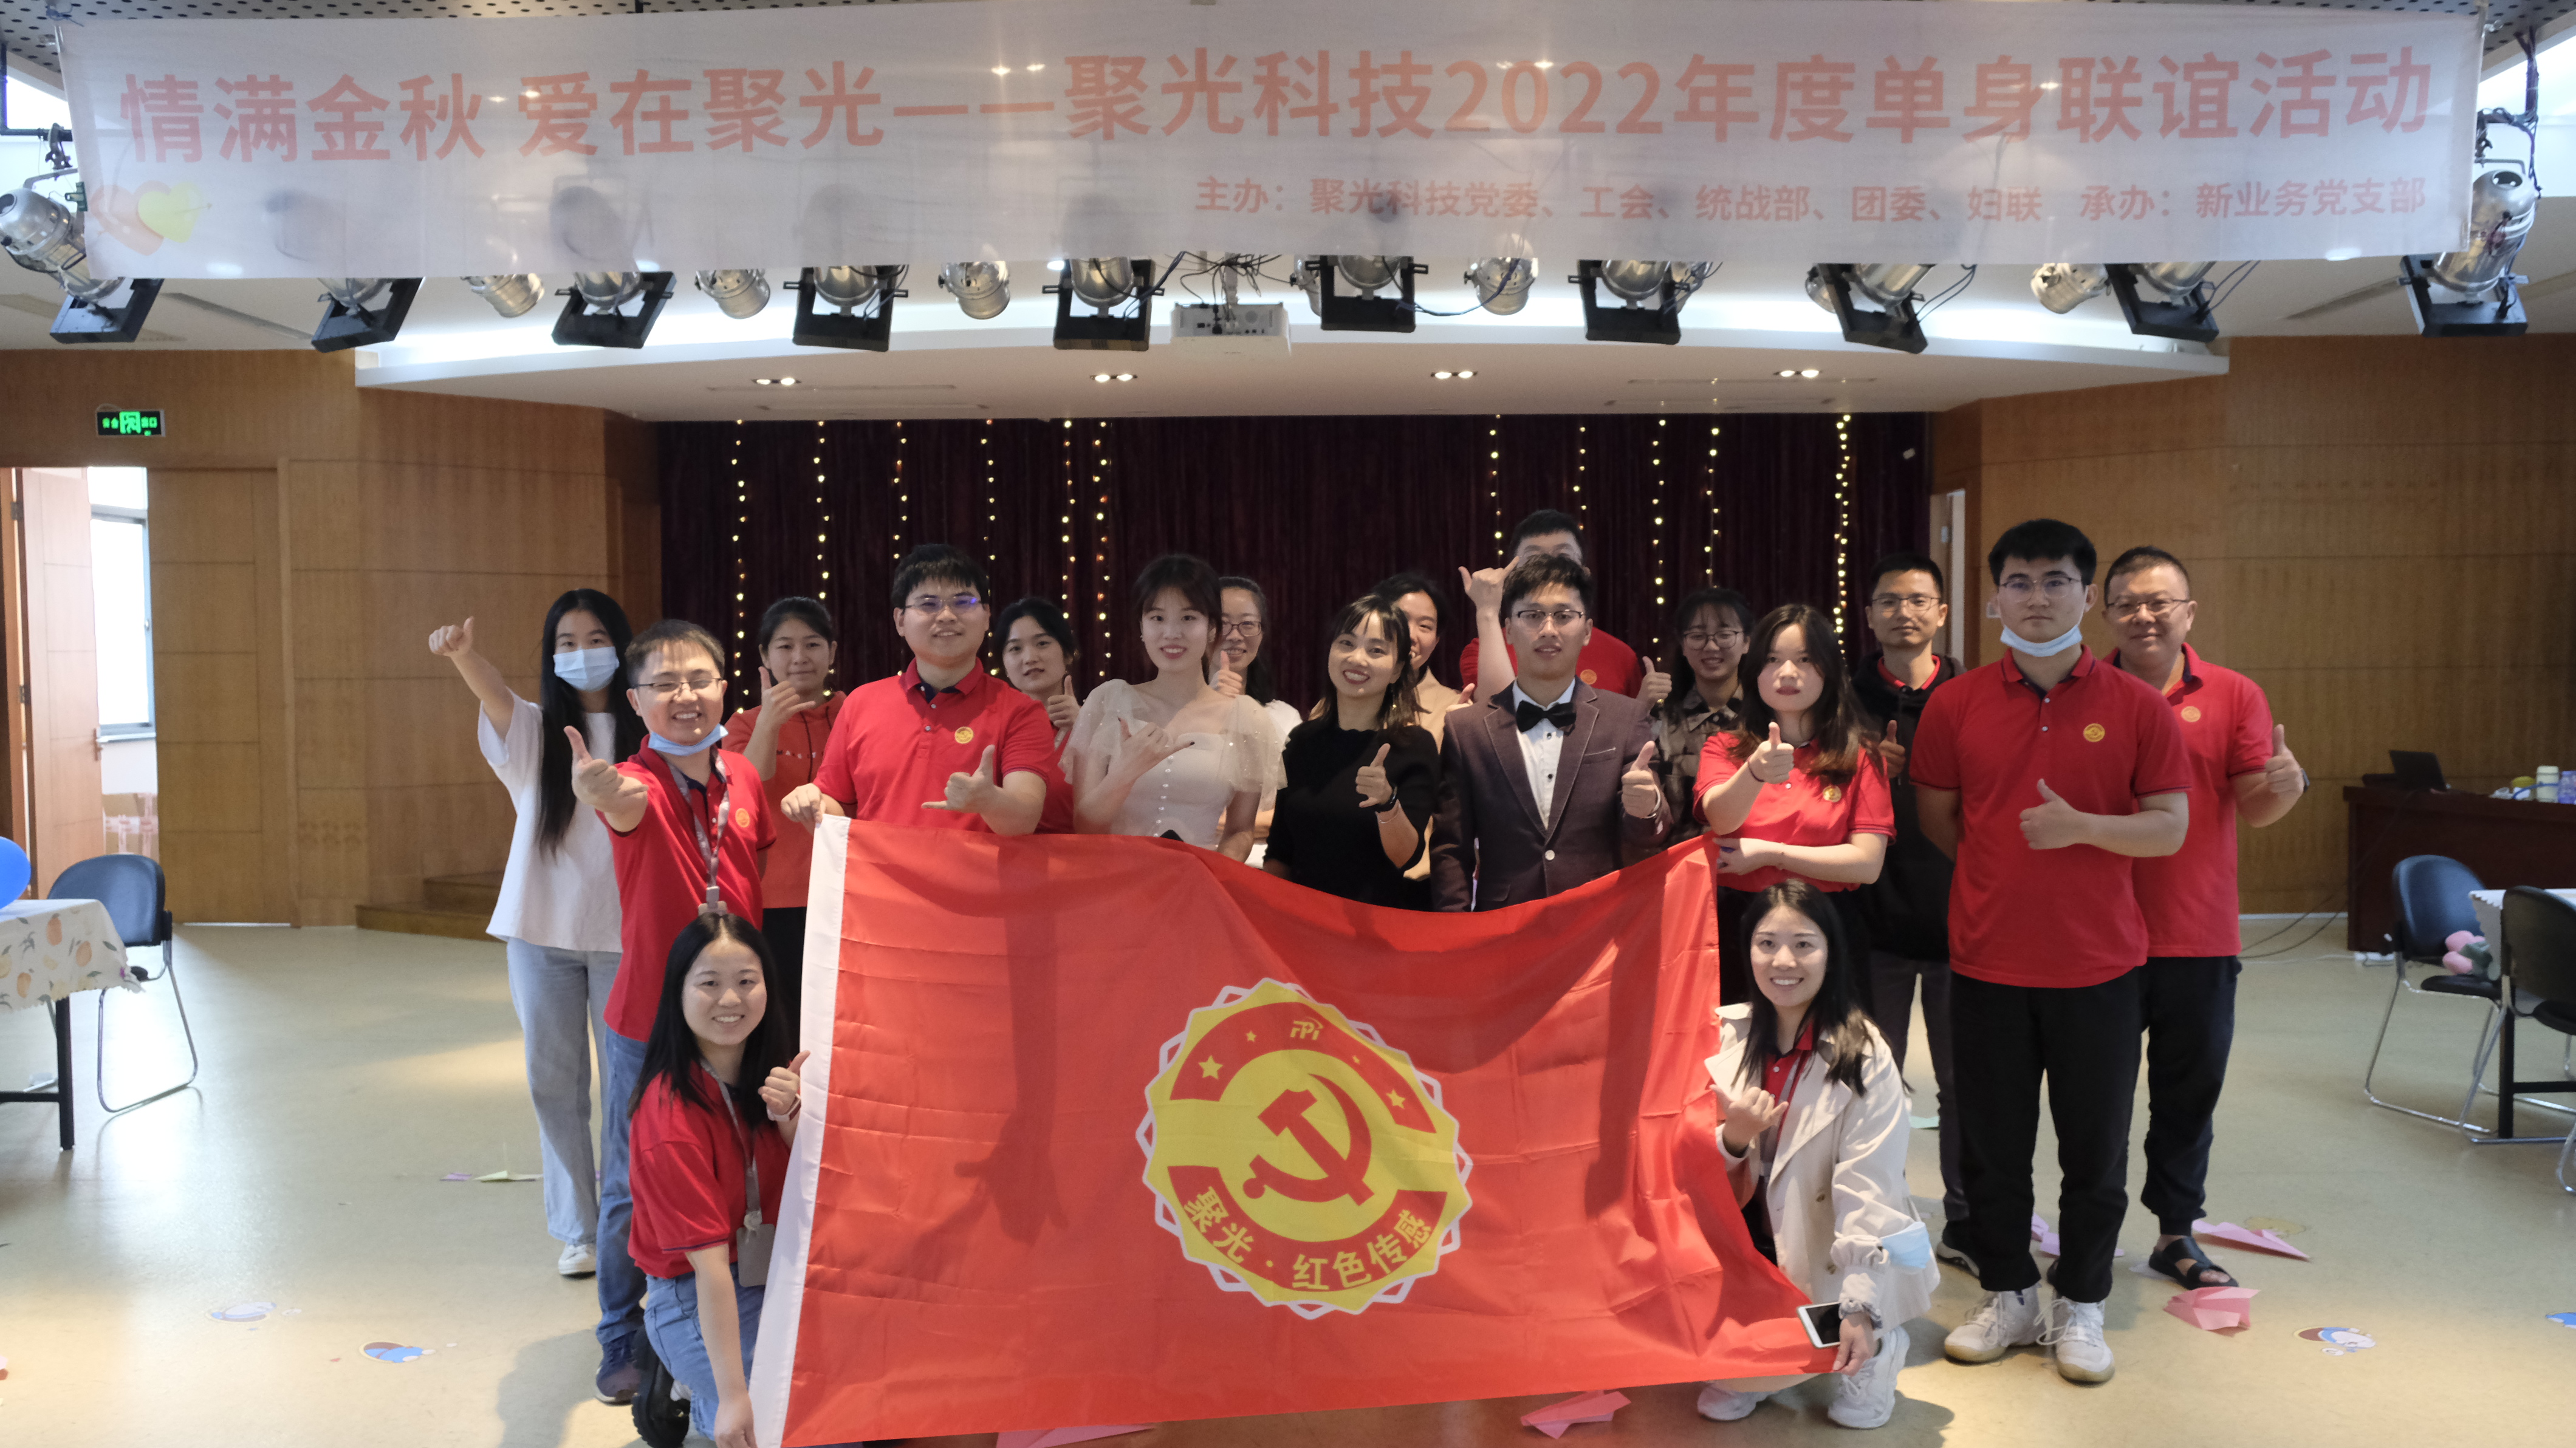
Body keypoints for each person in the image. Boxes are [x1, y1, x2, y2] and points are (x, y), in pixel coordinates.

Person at [1909, 518, 2190, 1385]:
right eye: (2021, 581)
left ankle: (2083, 1301)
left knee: (2094, 1151)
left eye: (2056, 580)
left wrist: (2081, 830)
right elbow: (1942, 820)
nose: (2038, 597)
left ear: (2086, 594)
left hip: (2099, 967)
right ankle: (2008, 1294)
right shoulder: (1954, 704)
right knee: (1991, 1147)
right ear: (1995, 596)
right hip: (1987, 962)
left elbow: (2169, 828)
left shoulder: (2137, 705)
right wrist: (2006, 872)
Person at [569, 617, 776, 1405]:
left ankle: (717, 1304)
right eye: (663, 684)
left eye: (698, 679)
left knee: (740, 1162)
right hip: (649, 1022)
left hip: (735, 1013)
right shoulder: (638, 783)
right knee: (633, 1181)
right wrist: (600, 791)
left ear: (723, 687)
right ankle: (622, 1331)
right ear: (636, 701)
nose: (684, 696)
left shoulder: (743, 777)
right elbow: (621, 803)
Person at [428, 593, 645, 1340]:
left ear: (622, 645)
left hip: (625, 933)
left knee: (627, 1087)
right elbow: (494, 691)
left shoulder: (648, 727)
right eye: (568, 640)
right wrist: (464, 655)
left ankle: (627, 1222)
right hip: (539, 931)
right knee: (553, 1081)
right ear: (552, 654)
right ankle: (577, 1229)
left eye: (597, 637)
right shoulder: (534, 729)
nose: (583, 651)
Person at [2102, 545, 2305, 1293]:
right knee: (2097, 1098)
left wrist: (2286, 785)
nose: (2144, 615)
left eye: (2159, 601)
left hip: (2197, 931)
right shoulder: (2085, 692)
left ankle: (2174, 1232)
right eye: (2127, 603)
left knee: (2187, 1093)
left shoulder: (2233, 693)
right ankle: (2092, 1229)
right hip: (2100, 932)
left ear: (2188, 612)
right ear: (2106, 613)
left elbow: (2256, 806)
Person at [1696, 880, 1939, 1430]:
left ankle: (1878, 1346)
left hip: (1834, 1244)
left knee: (1845, 1339)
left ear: (1832, 952)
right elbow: (1686, 1166)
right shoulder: (1722, 1034)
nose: (1783, 961)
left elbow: (1870, 1188)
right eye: (1767, 943)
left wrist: (1861, 1305)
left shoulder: (1865, 1054)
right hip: (1751, 1240)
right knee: (1730, 1381)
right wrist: (1733, 1138)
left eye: (1804, 944)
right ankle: (1772, 1356)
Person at [626, 913, 803, 1448]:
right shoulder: (668, 1119)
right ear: (678, 993)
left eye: (747, 981)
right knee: (784, 1424)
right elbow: (709, 1272)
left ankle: (696, 1384)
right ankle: (695, 1381)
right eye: (709, 983)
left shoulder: (780, 1077)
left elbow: (819, 1187)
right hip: (695, 1289)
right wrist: (733, 1397)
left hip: (775, 1271)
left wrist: (791, 1121)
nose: (731, 999)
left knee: (849, 1396)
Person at [1848, 552, 1971, 1265]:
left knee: (1964, 1084)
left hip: (1963, 922)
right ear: (1869, 614)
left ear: (1941, 612)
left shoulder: (1974, 694)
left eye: (1918, 600)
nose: (1904, 612)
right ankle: (1879, 1221)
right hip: (1873, 925)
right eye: (1889, 601)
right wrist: (1858, 769)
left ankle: (1965, 1220)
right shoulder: (1843, 699)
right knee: (1873, 1083)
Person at [1431, 554, 1669, 910]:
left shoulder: (1625, 717)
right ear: (1508, 630)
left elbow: (1651, 836)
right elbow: (1451, 849)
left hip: (1598, 922)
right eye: (1532, 615)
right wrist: (1456, 931)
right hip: (1505, 924)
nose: (1548, 629)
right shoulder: (1467, 729)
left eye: (1563, 615)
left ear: (1587, 631)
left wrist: (1647, 808)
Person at [781, 545, 1066, 838]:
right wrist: (814, 804)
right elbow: (838, 804)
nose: (946, 615)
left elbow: (1024, 819)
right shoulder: (860, 703)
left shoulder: (1020, 711)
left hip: (974, 871)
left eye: (963, 602)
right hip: (878, 870)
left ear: (986, 616)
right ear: (900, 621)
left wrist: (989, 801)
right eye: (928, 604)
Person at [1695, 604, 1892, 1006]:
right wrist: (1754, 772)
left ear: (1829, 670)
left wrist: (1772, 854)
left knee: (1831, 1040)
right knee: (1741, 1037)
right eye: (1772, 660)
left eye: (1804, 660)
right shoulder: (1724, 747)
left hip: (1828, 919)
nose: (1787, 673)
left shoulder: (1861, 754)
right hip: (1741, 921)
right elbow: (1721, 818)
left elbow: (1867, 864)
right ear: (1754, 672)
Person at [1066, 553, 1283, 859]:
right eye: (1157, 618)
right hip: (1117, 875)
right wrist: (1124, 774)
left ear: (1212, 629)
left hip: (1200, 879)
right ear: (1141, 627)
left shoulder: (1247, 718)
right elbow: (1084, 825)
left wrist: (1211, 875)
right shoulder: (1109, 702)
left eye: (1188, 618)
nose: (1171, 633)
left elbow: (1240, 830)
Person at [1264, 595, 1440, 907]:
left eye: (1376, 650)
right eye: (1346, 643)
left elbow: (1406, 858)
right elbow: (1280, 851)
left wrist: (1387, 802)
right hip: (1300, 919)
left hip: (1374, 922)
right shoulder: (1302, 740)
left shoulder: (1413, 746)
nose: (1357, 658)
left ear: (1397, 669)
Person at [722, 598, 845, 1000]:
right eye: (785, 646)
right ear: (764, 656)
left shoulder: (854, 714)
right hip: (771, 899)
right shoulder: (743, 724)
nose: (799, 657)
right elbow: (745, 788)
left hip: (844, 893)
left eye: (812, 644)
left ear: (832, 652)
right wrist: (769, 723)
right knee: (780, 1013)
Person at [1457, 509, 1649, 704]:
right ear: (1511, 575)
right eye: (1533, 559)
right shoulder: (1483, 649)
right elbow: (1497, 715)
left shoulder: (1621, 656)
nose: (1548, 567)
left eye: (1563, 557)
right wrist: (1487, 611)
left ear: (1585, 573)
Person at [1650, 587, 1756, 847]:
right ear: (1683, 646)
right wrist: (1638, 710)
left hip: (1755, 860)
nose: (1711, 646)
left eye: (1725, 634)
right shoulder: (1660, 722)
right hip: (1680, 864)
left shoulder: (1767, 719)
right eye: (1697, 636)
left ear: (1746, 642)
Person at [1369, 571, 1465, 739]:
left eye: (1425, 626)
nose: (1411, 635)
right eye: (1401, 619)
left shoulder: (1453, 708)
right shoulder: (1343, 698)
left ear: (1436, 642)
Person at [1214, 575, 1304, 743]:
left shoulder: (1284, 717)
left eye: (1248, 624)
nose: (1235, 636)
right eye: (1222, 623)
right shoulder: (1174, 712)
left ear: (1262, 632)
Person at [996, 595, 1083, 751]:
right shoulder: (995, 728)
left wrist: (1083, 726)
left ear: (1068, 654)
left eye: (1042, 643)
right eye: (1015, 648)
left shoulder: (1101, 722)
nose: (1030, 658)